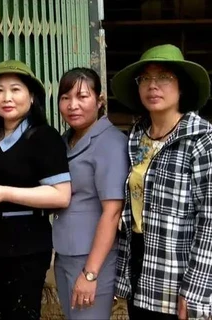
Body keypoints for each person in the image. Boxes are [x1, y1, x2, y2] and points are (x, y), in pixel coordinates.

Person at [112, 44, 212, 319]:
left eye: (164, 77)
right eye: (145, 78)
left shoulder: (201, 140)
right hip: (139, 261)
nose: (153, 86)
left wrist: (195, 289)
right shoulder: (136, 136)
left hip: (177, 267)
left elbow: (209, 220)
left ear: (182, 88)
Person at [0, 60, 71, 320]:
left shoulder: (43, 137)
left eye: (15, 89)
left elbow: (60, 195)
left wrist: (4, 193)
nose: (7, 97)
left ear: (31, 97)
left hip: (26, 249)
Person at [53, 67, 129, 319]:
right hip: (66, 254)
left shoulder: (110, 142)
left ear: (99, 101)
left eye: (82, 97)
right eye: (65, 98)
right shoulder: (65, 141)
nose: (72, 105)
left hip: (93, 258)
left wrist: (90, 273)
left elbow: (113, 211)